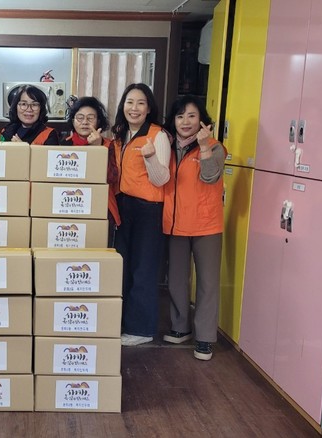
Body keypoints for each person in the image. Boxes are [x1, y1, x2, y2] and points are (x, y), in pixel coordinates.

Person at [161, 95, 226, 361]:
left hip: (206, 225)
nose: (185, 122)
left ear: (202, 120)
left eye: (191, 116)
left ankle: (205, 338)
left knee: (207, 283)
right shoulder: (166, 147)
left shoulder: (215, 147)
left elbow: (210, 177)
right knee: (176, 280)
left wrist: (205, 147)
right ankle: (180, 327)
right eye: (180, 116)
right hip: (175, 223)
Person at [111, 83, 171, 347]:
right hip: (124, 206)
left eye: (141, 103)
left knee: (143, 269)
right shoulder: (121, 135)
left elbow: (161, 179)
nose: (134, 108)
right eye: (130, 102)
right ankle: (125, 324)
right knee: (123, 267)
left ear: (149, 109)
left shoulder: (157, 135)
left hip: (148, 210)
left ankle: (142, 329)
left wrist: (150, 158)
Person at [59, 96, 120, 241]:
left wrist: (97, 148)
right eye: (80, 117)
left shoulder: (109, 145)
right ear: (73, 120)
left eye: (90, 118)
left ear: (99, 121)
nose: (85, 122)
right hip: (70, 205)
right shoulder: (63, 145)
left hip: (101, 208)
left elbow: (111, 177)